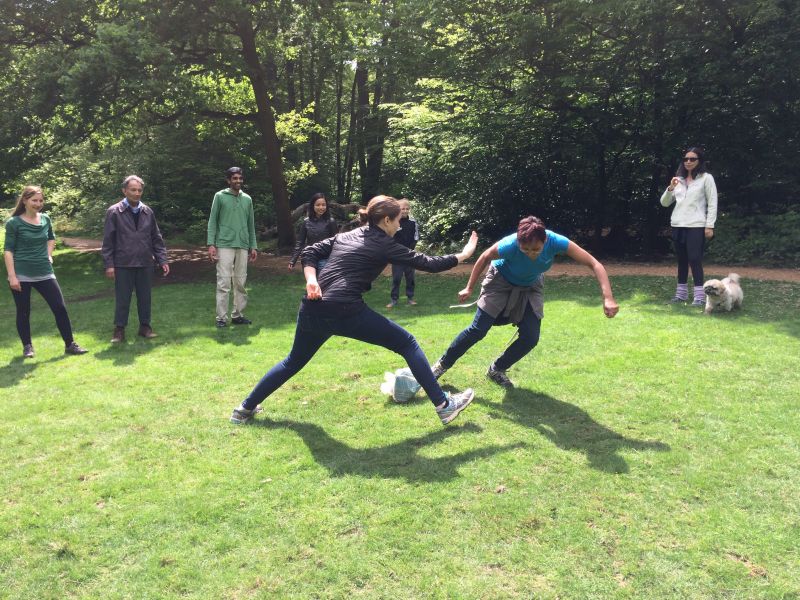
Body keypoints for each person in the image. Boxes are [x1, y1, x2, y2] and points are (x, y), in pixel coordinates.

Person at [230, 195, 479, 426]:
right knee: (407, 343)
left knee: (293, 361)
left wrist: (311, 280)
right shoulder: (384, 244)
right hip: (344, 309)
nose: (399, 226)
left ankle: (243, 409)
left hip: (313, 307)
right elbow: (429, 263)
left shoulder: (348, 235)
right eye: (397, 221)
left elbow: (310, 252)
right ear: (386, 220)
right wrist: (464, 254)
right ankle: (444, 406)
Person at [431, 216, 619, 389]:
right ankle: (441, 365)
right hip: (500, 281)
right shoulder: (509, 244)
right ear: (519, 243)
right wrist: (469, 287)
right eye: (525, 249)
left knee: (530, 337)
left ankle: (497, 369)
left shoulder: (556, 241)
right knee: (478, 329)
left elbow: (594, 264)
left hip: (531, 285)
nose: (531, 254)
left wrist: (608, 297)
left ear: (545, 241)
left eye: (536, 249)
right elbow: (485, 257)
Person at [4, 186, 88, 358]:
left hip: (44, 271)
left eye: (41, 200)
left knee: (60, 307)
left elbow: (51, 238)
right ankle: (27, 347)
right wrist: (12, 276)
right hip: (21, 273)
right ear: (25, 200)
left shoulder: (45, 219)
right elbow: (8, 250)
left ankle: (70, 344)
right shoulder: (14, 223)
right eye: (34, 200)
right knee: (23, 311)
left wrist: (49, 255)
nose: (38, 204)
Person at [102, 175, 170, 343]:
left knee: (145, 298)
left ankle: (145, 328)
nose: (137, 193)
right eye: (133, 190)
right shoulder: (114, 212)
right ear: (124, 191)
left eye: (140, 190)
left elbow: (156, 238)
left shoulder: (147, 211)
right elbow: (108, 241)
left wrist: (162, 259)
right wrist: (109, 264)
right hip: (123, 263)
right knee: (123, 298)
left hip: (145, 262)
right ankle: (119, 330)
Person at [660, 147, 718, 306]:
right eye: (686, 159)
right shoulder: (678, 180)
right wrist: (670, 188)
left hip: (696, 225)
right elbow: (664, 203)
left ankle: (699, 296)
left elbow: (713, 203)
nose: (688, 162)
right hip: (678, 224)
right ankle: (681, 295)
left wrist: (709, 226)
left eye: (692, 159)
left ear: (699, 161)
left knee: (694, 259)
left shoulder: (706, 178)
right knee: (682, 260)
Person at [207, 167, 258, 328]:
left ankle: (237, 315)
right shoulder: (220, 196)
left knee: (240, 282)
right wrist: (211, 244)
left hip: (243, 244)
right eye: (235, 178)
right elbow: (212, 221)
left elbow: (251, 225)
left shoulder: (247, 199)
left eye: (240, 178)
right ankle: (221, 318)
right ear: (228, 180)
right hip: (224, 244)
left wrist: (253, 246)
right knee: (224, 282)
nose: (238, 181)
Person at [288, 193, 338, 271]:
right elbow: (300, 243)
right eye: (318, 205)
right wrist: (292, 260)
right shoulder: (306, 222)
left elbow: (336, 242)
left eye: (323, 205)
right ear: (312, 206)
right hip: (309, 257)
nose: (321, 207)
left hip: (325, 258)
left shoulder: (331, 222)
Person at [387, 198, 420, 308]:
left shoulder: (413, 222)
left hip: (410, 255)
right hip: (397, 256)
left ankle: (410, 298)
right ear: (398, 209)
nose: (405, 211)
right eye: (402, 209)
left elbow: (416, 237)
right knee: (396, 278)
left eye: (407, 209)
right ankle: (394, 300)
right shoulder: (393, 222)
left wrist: (410, 250)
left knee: (410, 278)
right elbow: (390, 237)